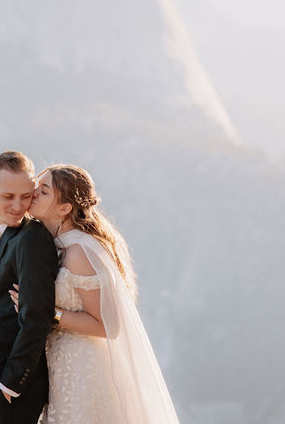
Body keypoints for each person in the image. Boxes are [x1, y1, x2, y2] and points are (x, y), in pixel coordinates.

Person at [12, 164, 180, 424]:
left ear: (64, 208)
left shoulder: (79, 251)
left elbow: (107, 326)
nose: (33, 193)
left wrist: (45, 312)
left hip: (81, 369)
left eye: (43, 191)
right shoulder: (51, 243)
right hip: (56, 363)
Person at [0, 151, 60, 424]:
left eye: (26, 196)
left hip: (16, 385)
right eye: (8, 197)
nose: (18, 206)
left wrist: (11, 382)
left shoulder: (33, 239)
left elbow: (37, 317)